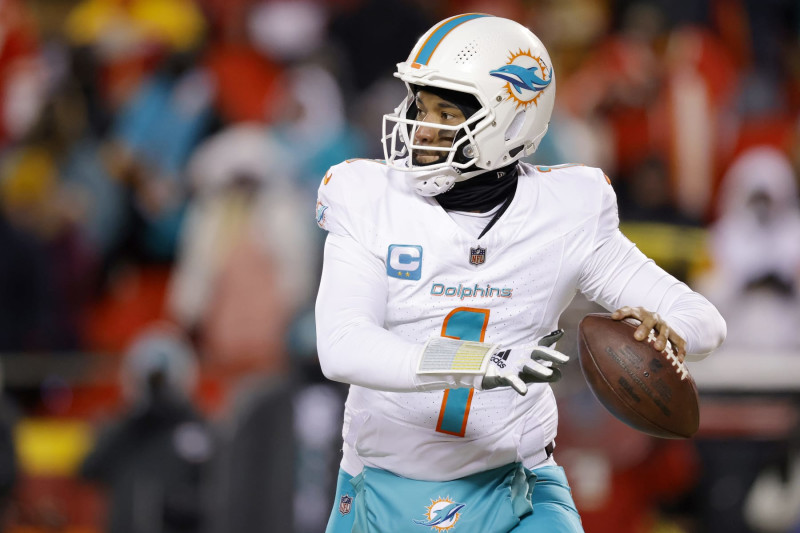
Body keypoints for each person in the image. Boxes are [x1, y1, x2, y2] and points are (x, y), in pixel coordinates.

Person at [314, 14, 726, 533]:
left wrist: (670, 333)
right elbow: (342, 346)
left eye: (446, 111)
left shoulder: (565, 213)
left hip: (517, 485)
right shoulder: (368, 197)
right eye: (420, 107)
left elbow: (704, 320)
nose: (421, 127)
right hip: (386, 484)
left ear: (510, 121)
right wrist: (481, 361)